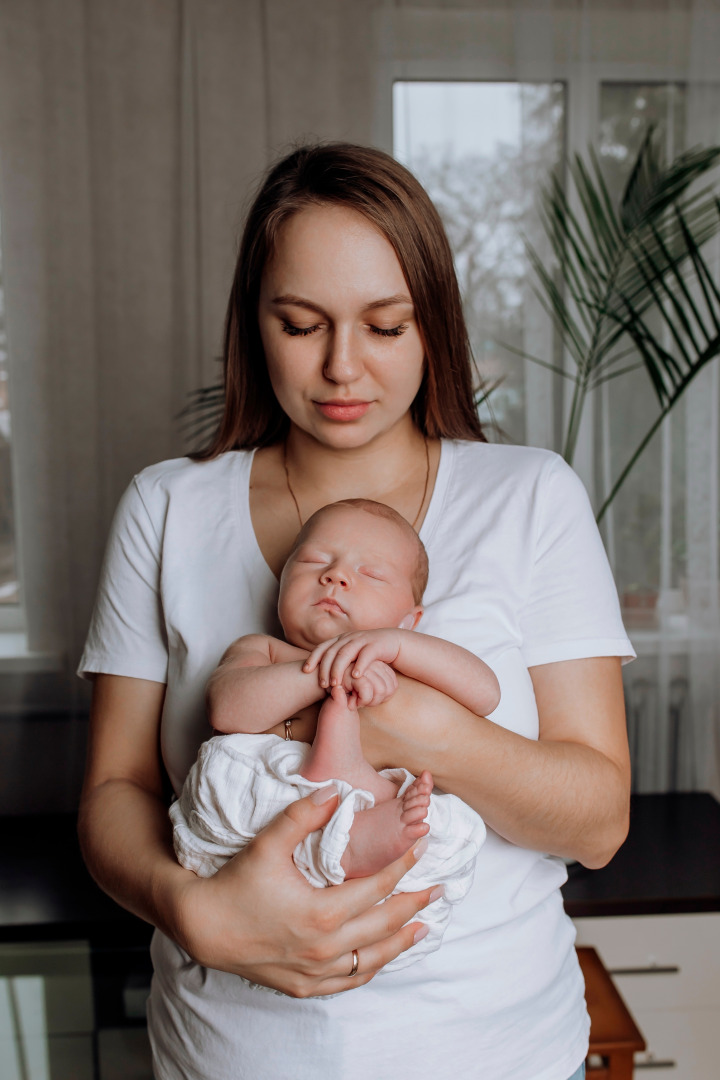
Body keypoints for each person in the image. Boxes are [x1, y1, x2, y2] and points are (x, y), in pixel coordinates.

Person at [77, 142, 633, 1080]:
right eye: (301, 324)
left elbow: (597, 822)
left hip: (497, 1054)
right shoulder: (168, 507)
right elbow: (111, 795)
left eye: (385, 325)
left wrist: (408, 722)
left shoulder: (529, 496)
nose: (343, 368)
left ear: (435, 325)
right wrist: (189, 908)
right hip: (226, 1055)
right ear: (254, 323)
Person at [170, 498, 496, 971]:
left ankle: (356, 833)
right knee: (223, 766)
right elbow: (227, 709)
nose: (336, 577)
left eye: (372, 574)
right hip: (262, 840)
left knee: (447, 823)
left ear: (410, 619)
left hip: (369, 820)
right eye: (314, 562)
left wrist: (397, 648)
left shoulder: (404, 662)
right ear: (280, 584)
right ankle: (345, 833)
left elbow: (484, 694)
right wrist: (328, 669)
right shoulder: (262, 650)